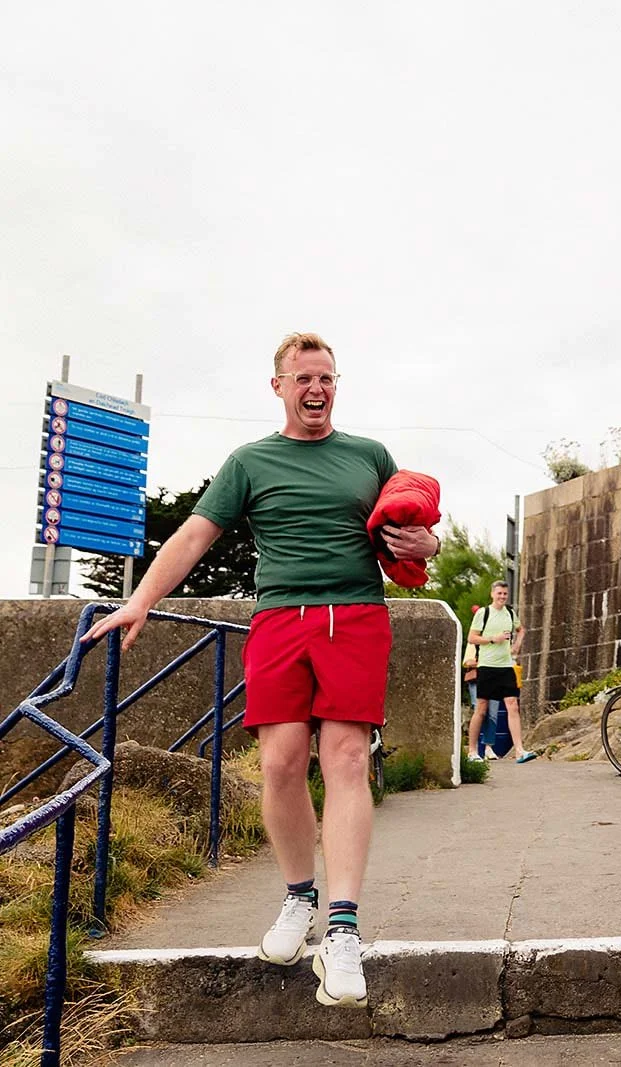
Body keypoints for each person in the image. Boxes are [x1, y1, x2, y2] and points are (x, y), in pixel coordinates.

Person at [83, 332, 440, 1009]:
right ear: (277, 385)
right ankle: (299, 896)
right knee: (279, 761)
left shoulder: (369, 456)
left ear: (338, 384)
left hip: (355, 616)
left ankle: (341, 929)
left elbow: (415, 538)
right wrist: (141, 601)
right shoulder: (250, 461)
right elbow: (193, 534)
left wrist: (430, 542)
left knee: (345, 755)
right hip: (279, 617)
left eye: (328, 377)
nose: (317, 388)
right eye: (305, 377)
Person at [466, 581, 531, 764]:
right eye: (499, 593)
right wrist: (493, 639)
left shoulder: (510, 613)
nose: (502, 597)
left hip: (506, 666)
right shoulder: (483, 613)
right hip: (487, 666)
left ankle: (519, 750)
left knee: (512, 705)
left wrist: (517, 645)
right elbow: (472, 637)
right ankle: (472, 751)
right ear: (492, 594)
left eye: (505, 594)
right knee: (481, 708)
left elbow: (521, 629)